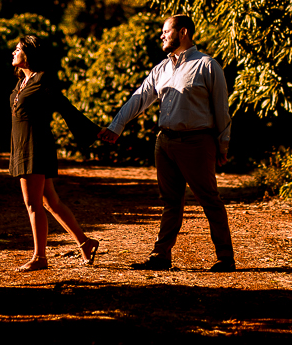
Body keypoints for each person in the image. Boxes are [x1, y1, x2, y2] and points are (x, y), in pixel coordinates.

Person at [98, 14, 235, 272]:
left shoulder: (207, 65)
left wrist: (222, 146)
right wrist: (117, 127)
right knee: (171, 201)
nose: (161, 35)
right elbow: (139, 98)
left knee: (210, 199)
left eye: (165, 31)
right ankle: (161, 256)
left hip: (196, 142)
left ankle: (226, 258)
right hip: (165, 143)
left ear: (183, 32)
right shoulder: (161, 68)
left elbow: (221, 110)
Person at [9, 35, 101, 272]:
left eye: (17, 49)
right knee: (51, 201)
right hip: (22, 145)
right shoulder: (22, 83)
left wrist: (95, 131)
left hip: (35, 146)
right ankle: (85, 242)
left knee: (33, 204)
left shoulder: (42, 80)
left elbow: (65, 107)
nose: (13, 52)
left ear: (28, 53)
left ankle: (40, 257)